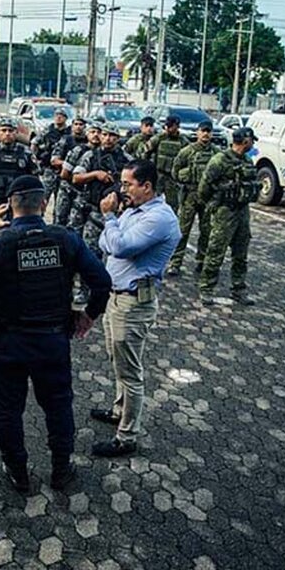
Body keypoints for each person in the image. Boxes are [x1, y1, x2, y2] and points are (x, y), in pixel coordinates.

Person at [0, 175, 111, 493]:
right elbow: (102, 281)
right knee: (58, 405)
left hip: (8, 342)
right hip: (52, 340)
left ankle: (17, 470)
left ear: (8, 207)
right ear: (44, 203)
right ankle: (61, 468)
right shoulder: (67, 239)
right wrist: (88, 315)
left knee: (7, 409)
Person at [90, 160, 181, 458]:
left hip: (133, 304)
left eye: (128, 184)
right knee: (117, 361)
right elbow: (108, 244)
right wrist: (113, 225)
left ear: (147, 186)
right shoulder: (131, 211)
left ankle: (127, 436)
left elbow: (121, 247)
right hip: (115, 298)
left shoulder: (159, 218)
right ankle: (119, 409)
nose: (122, 189)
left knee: (130, 371)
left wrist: (109, 219)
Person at [197, 127, 260, 306]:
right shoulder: (220, 160)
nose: (253, 144)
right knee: (216, 250)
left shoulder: (247, 160)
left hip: (242, 211)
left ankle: (238, 289)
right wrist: (212, 206)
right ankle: (206, 288)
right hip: (225, 211)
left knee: (241, 252)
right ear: (246, 141)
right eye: (252, 140)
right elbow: (204, 187)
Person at [72, 122, 130, 303]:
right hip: (95, 213)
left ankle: (111, 291)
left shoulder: (126, 159)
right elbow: (75, 178)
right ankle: (84, 289)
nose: (107, 138)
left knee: (116, 256)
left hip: (119, 216)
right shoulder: (90, 155)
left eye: (112, 135)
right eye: (105, 134)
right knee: (90, 255)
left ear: (117, 138)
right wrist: (95, 174)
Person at [167, 122, 220, 276]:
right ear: (197, 132)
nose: (205, 134)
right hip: (189, 196)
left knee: (206, 231)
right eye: (203, 131)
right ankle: (175, 263)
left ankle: (201, 261)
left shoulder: (216, 153)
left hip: (207, 197)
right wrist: (187, 176)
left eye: (208, 132)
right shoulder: (187, 152)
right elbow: (175, 172)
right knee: (183, 230)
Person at [144, 115, 190, 212]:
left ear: (177, 126)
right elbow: (146, 152)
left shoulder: (183, 141)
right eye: (167, 126)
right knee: (150, 201)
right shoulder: (159, 138)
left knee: (173, 205)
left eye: (171, 126)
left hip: (172, 178)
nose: (168, 128)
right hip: (158, 174)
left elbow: (188, 158)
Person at [50, 115, 89, 226]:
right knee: (60, 215)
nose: (78, 127)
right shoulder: (66, 140)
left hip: (81, 187)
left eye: (81, 125)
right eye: (76, 124)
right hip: (66, 182)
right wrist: (70, 165)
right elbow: (54, 160)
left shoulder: (88, 142)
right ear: (71, 126)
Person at [30, 107, 69, 206]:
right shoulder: (47, 130)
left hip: (63, 170)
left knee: (61, 201)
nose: (58, 118)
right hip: (49, 169)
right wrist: (34, 158)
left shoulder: (69, 133)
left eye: (61, 116)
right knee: (43, 197)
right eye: (56, 115)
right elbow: (34, 143)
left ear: (65, 118)